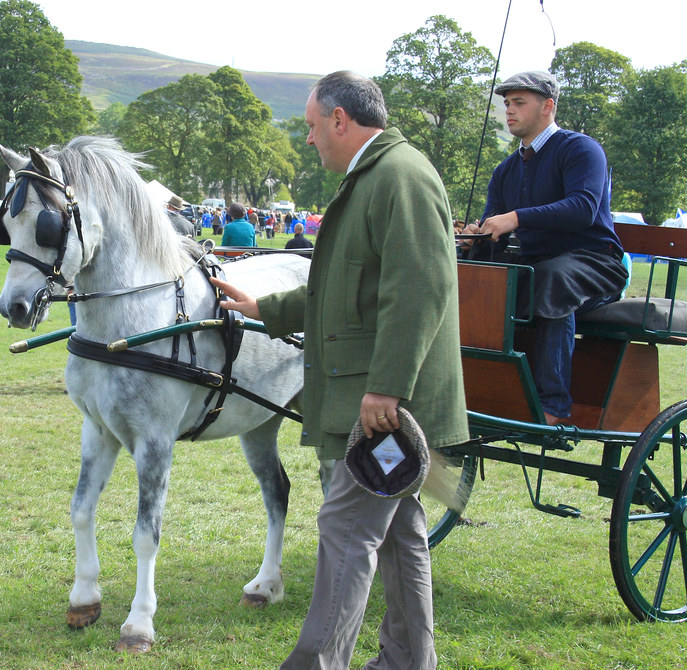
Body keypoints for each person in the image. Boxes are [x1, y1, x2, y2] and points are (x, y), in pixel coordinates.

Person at [212, 71, 466, 670]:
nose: (307, 139)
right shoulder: (374, 178)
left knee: (347, 528)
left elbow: (418, 290)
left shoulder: (398, 179)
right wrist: (264, 308)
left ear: (339, 120)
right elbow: (336, 284)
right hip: (376, 402)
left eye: (308, 125)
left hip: (382, 407)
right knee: (401, 535)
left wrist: (387, 390)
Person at [462, 71, 627, 425]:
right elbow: (495, 225)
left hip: (597, 262)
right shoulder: (505, 170)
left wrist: (516, 218)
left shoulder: (581, 149)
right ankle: (480, 390)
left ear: (547, 107)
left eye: (519, 103)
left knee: (551, 280)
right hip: (537, 263)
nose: (509, 110)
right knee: (476, 272)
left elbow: (583, 208)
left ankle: (553, 406)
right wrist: (478, 232)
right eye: (507, 103)